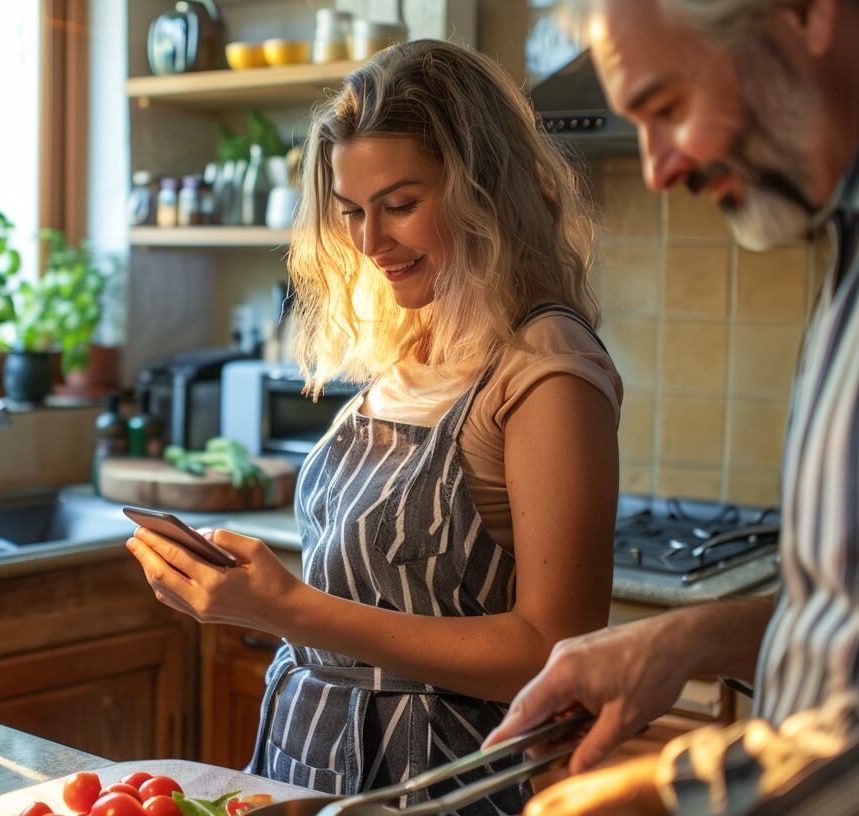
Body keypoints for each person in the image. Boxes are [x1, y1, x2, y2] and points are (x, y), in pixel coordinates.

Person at [485, 1, 859, 814]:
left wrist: (657, 793)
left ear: (805, 13)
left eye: (667, 107)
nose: (659, 168)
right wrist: (688, 638)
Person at [124, 39, 622, 815]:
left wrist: (284, 609)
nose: (368, 242)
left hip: (433, 786)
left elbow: (553, 648)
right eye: (352, 212)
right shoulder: (417, 338)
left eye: (399, 205)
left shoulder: (545, 367)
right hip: (304, 764)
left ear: (482, 190)